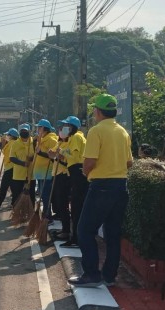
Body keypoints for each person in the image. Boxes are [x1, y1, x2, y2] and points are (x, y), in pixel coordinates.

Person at [69, 94, 133, 287]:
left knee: (85, 230)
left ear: (97, 111)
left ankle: (91, 274)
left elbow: (89, 161)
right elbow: (129, 162)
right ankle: (109, 276)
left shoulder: (96, 131)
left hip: (101, 187)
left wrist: (85, 171)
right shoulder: (123, 132)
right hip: (120, 186)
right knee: (113, 233)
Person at [57, 116, 88, 248]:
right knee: (76, 208)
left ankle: (76, 238)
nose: (65, 128)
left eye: (67, 126)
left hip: (78, 173)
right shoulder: (76, 138)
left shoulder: (76, 137)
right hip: (76, 173)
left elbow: (74, 156)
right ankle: (75, 236)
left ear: (72, 127)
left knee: (77, 208)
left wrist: (62, 151)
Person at [33, 119, 59, 220]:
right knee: (43, 195)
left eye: (39, 127)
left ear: (43, 128)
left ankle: (47, 216)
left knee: (46, 195)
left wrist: (41, 153)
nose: (37, 129)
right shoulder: (41, 139)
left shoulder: (51, 140)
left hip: (46, 173)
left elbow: (53, 156)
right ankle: (46, 214)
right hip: (39, 173)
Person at [9, 124, 34, 207]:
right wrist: (22, 163)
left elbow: (37, 155)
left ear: (29, 132)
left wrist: (32, 158)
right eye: (22, 131)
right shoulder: (15, 143)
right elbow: (12, 157)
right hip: (18, 175)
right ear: (19, 132)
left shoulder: (33, 142)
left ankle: (30, 213)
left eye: (26, 131)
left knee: (31, 195)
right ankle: (16, 212)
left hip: (31, 175)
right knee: (17, 195)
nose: (24, 133)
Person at [0, 128, 19, 208]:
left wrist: (3, 144)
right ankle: (13, 203)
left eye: (8, 135)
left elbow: (7, 154)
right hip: (12, 167)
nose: (7, 136)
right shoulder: (13, 143)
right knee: (13, 186)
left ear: (11, 136)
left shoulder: (11, 144)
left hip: (9, 167)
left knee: (4, 186)